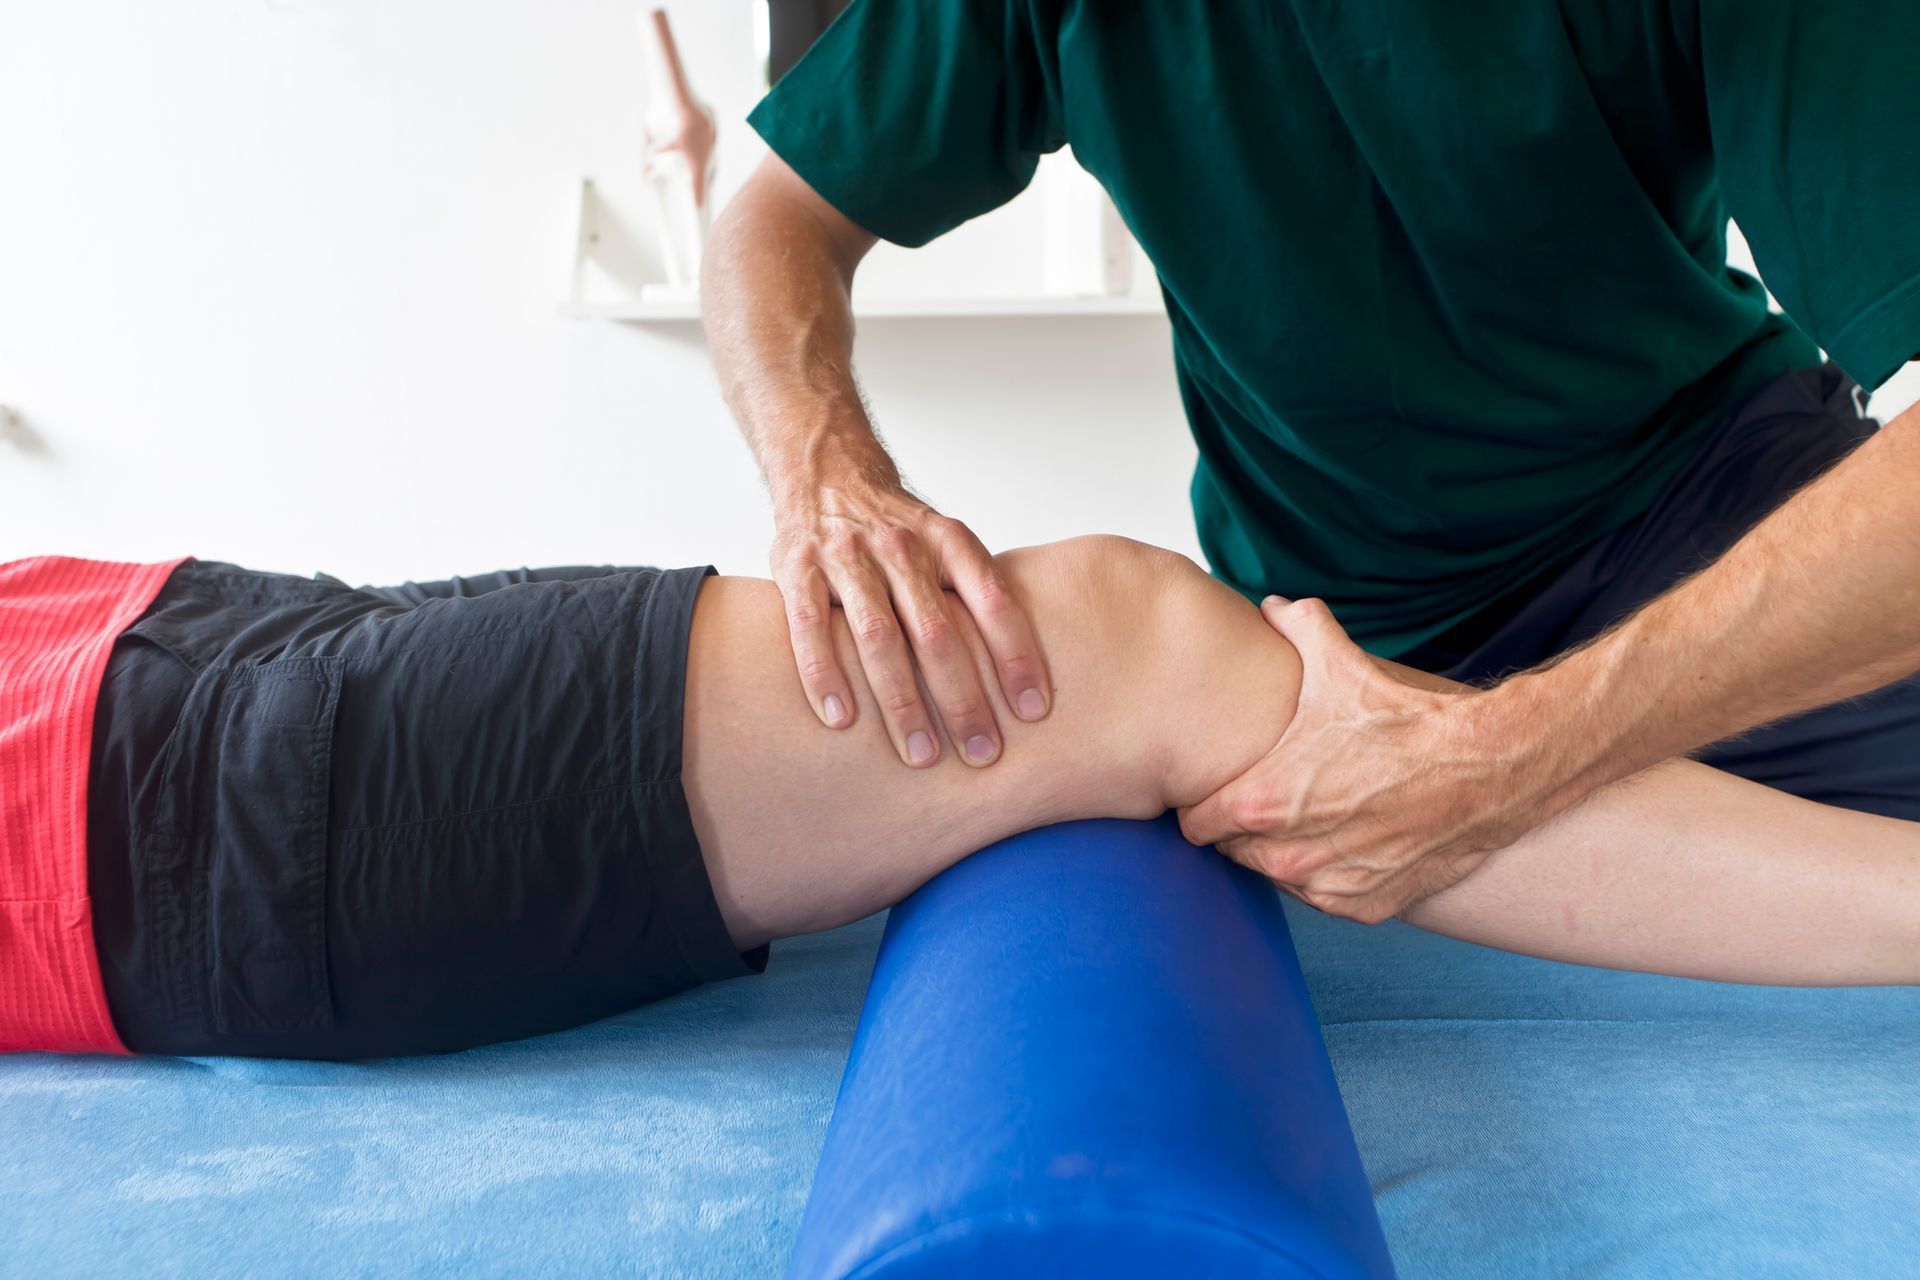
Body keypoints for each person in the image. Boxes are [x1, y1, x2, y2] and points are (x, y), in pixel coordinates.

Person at [702, 0, 1920, 923]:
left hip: (1717, 529)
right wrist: (828, 476)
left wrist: (1509, 757)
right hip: (1335, 629)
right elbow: (771, 219)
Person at [2, 541, 1914, 1061]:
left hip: (153, 643)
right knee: (1132, 651)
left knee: (1150, 664)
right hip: (136, 824)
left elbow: (789, 201)